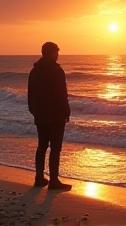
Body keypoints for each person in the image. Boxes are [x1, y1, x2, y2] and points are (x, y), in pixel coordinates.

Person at [28, 42, 72, 190]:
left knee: (42, 146)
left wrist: (34, 110)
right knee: (55, 148)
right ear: (52, 53)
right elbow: (61, 95)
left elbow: (30, 95)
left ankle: (39, 178)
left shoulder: (34, 71)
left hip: (40, 114)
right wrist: (66, 111)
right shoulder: (56, 71)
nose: (58, 55)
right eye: (57, 52)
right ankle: (53, 181)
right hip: (55, 116)